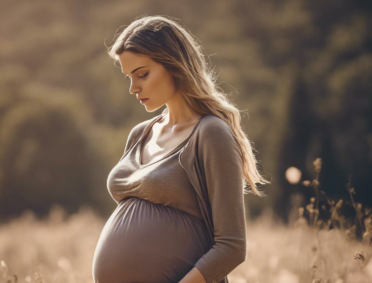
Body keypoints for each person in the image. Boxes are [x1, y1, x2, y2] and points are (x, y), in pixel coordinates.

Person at [92, 15, 270, 283]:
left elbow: (232, 247)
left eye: (142, 74)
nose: (133, 87)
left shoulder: (211, 133)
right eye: (129, 77)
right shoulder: (140, 134)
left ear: (175, 66)